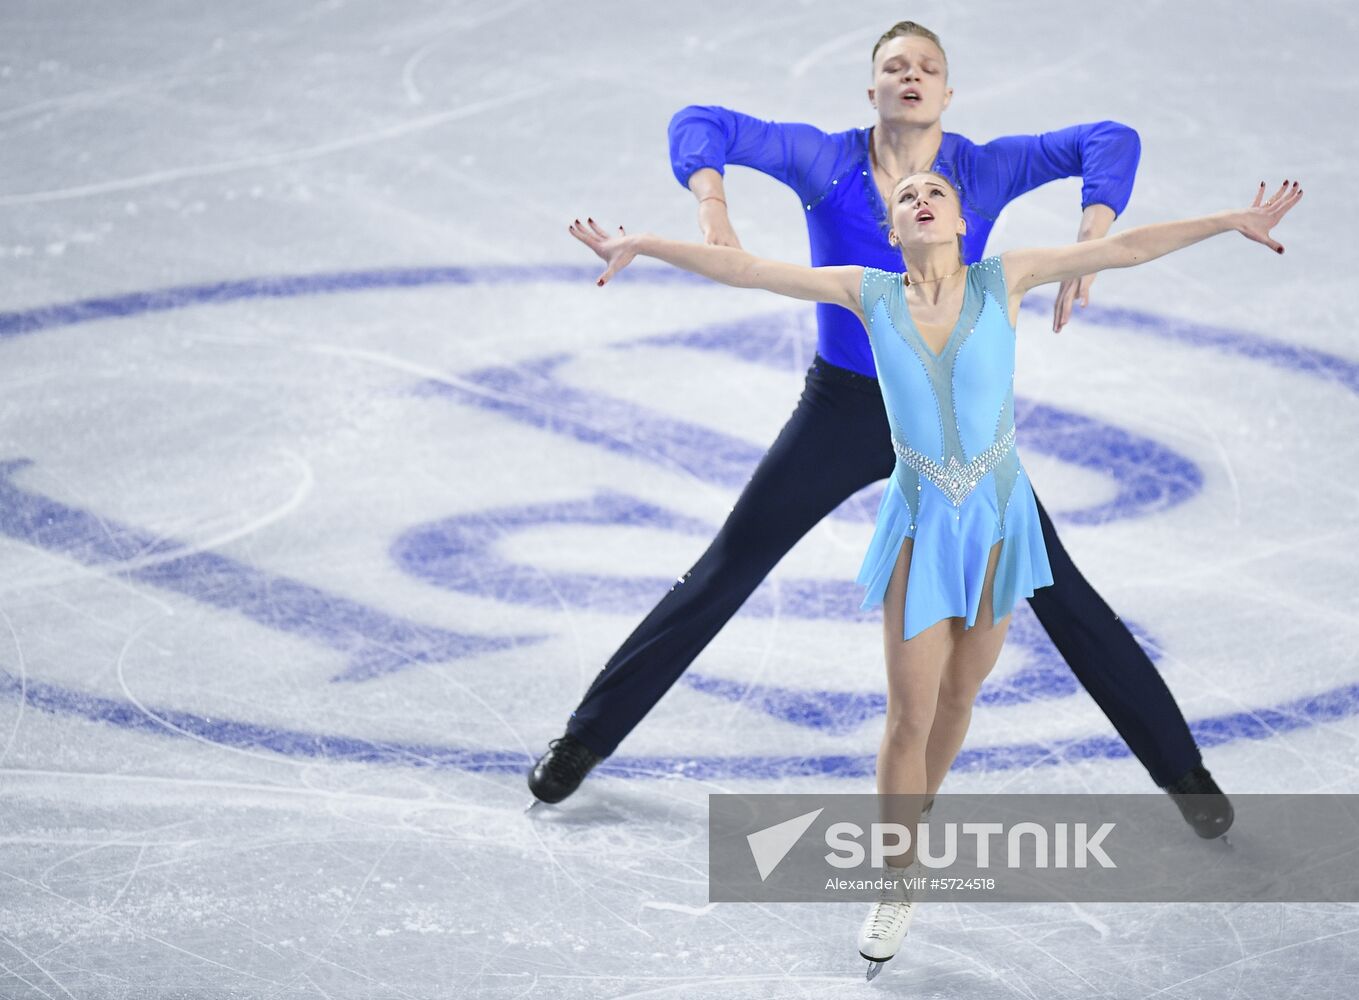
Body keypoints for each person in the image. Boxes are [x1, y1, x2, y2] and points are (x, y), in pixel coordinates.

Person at [566, 173, 1302, 973]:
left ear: (959, 220)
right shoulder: (867, 292)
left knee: (959, 697)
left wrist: (1229, 218)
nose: (921, 198)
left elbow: (1122, 247)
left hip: (998, 520)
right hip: (922, 520)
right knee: (907, 717)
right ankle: (895, 878)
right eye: (906, 196)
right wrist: (642, 242)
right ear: (892, 229)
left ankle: (909, 817)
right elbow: (748, 270)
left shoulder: (1004, 276)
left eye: (935, 193)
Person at [530, 20, 1231, 839]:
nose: (911, 76)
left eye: (927, 67)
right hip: (841, 412)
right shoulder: (826, 160)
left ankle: (1183, 773)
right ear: (872, 90)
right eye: (894, 66)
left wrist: (1091, 235)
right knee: (727, 566)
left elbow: (1109, 138)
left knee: (1059, 591)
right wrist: (712, 207)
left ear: (945, 92)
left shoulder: (977, 169)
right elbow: (701, 123)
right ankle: (584, 739)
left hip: (953, 438)